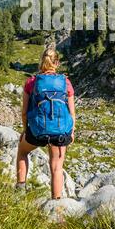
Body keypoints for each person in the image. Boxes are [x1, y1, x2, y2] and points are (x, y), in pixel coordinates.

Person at [16, 47, 75, 199]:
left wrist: (26, 130)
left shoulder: (31, 82)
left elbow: (24, 112)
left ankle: (20, 190)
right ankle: (56, 203)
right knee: (56, 166)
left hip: (37, 131)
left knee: (22, 151)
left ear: (42, 61)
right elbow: (71, 112)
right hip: (60, 132)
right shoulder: (65, 82)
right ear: (57, 62)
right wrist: (72, 131)